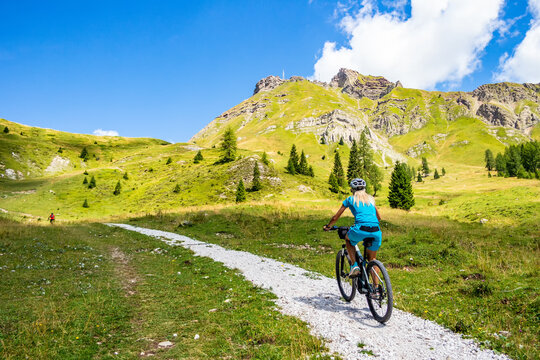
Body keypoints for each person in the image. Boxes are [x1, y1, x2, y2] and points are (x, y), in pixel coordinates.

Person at [323, 178, 382, 277]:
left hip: (360, 228)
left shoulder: (350, 199)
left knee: (348, 239)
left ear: (352, 189)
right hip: (376, 230)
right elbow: (379, 218)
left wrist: (328, 226)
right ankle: (376, 290)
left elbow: (335, 217)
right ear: (364, 189)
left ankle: (354, 265)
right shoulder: (371, 199)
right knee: (372, 260)